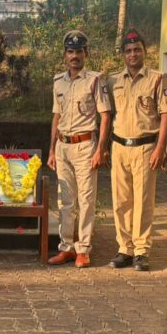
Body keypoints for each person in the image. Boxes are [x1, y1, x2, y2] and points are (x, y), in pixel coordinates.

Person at [106, 29, 167, 272]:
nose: (133, 54)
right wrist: (104, 147)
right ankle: (125, 249)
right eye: (128, 51)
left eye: (137, 50)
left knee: (143, 201)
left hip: (145, 147)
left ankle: (141, 251)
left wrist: (161, 148)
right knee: (121, 201)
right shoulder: (113, 81)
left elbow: (166, 114)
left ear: (145, 51)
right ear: (123, 54)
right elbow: (108, 115)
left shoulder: (158, 78)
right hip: (119, 146)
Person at [48, 30, 113, 268]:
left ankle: (83, 249)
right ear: (65, 55)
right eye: (70, 51)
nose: (74, 56)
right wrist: (52, 150)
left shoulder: (95, 81)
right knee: (65, 200)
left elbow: (105, 116)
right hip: (62, 146)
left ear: (86, 54)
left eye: (78, 51)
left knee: (86, 199)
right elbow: (56, 116)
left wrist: (100, 150)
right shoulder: (58, 82)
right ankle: (66, 247)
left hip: (85, 146)